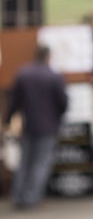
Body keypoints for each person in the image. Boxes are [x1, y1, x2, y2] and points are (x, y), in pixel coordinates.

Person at [3, 45, 68, 209]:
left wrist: (7, 119)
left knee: (24, 162)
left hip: (28, 124)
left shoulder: (23, 73)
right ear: (48, 57)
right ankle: (31, 198)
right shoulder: (54, 76)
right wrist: (57, 118)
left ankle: (18, 196)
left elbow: (14, 100)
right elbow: (63, 102)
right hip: (48, 126)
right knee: (40, 163)